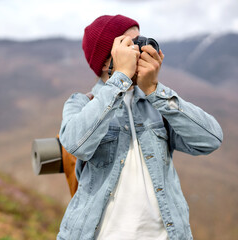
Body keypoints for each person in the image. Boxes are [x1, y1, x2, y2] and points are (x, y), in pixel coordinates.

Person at [57, 14, 223, 240]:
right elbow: (77, 144)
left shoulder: (157, 104)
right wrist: (120, 78)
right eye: (130, 44)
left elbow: (211, 139)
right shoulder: (81, 103)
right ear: (107, 60)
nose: (141, 49)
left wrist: (154, 91)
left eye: (141, 41)